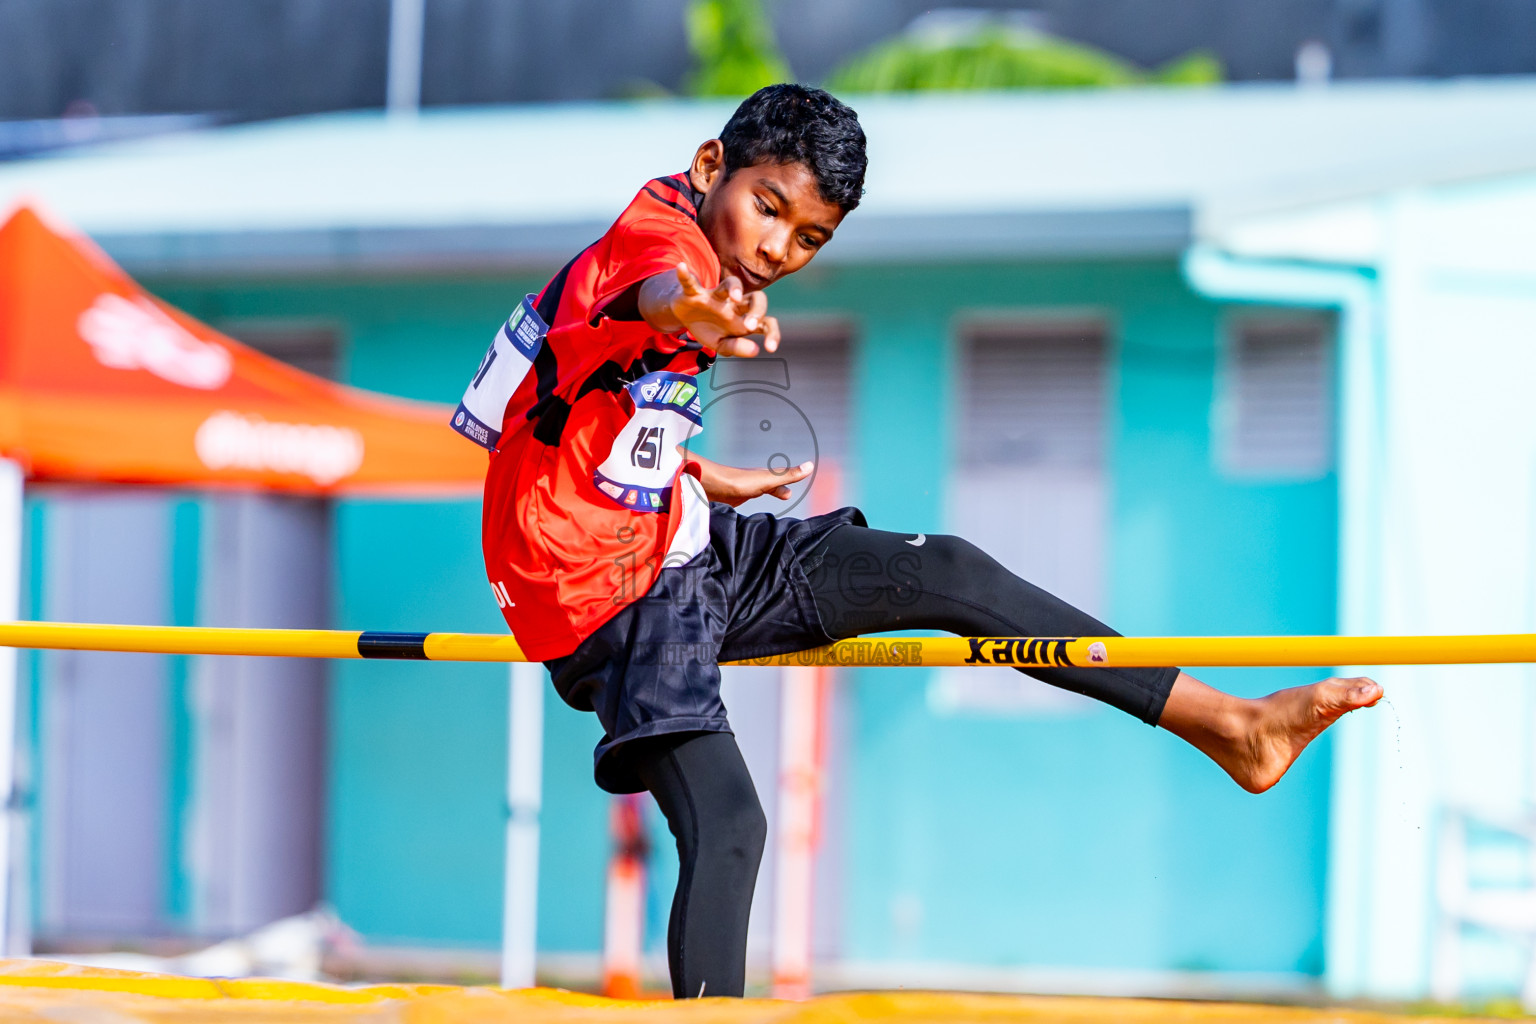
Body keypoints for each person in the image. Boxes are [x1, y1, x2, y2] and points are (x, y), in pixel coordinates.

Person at [459, 84, 1382, 1000]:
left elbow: (560, 405)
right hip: (597, 588)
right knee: (731, 823)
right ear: (710, 167)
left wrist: (696, 473)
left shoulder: (700, 246)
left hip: (676, 537)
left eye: (808, 238)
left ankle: (1230, 726)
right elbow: (661, 295)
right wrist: (701, 314)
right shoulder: (658, 245)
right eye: (766, 210)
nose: (777, 250)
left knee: (948, 571)